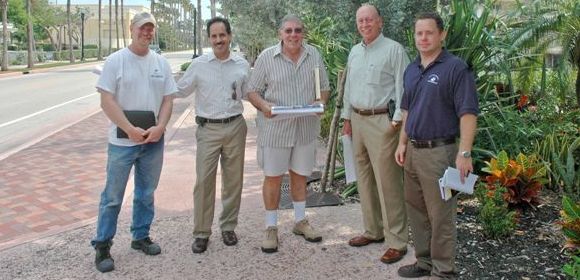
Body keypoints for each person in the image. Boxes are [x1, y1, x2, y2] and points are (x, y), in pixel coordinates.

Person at [394, 12, 479, 279]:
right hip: (413, 152)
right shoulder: (411, 69)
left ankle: (444, 271)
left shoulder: (455, 68)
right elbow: (407, 109)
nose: (423, 38)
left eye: (429, 32)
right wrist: (402, 143)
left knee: (441, 215)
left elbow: (468, 113)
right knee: (416, 211)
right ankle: (424, 262)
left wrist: (464, 153)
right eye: (419, 33)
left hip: (440, 153)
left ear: (441, 34)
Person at [91, 12, 177, 273]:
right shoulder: (116, 61)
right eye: (142, 28)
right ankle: (103, 244)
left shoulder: (160, 63)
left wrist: (161, 127)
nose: (147, 33)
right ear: (132, 29)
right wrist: (128, 129)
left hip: (153, 141)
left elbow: (168, 100)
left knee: (146, 194)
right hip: (122, 143)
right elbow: (106, 100)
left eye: (151, 29)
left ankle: (140, 236)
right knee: (112, 197)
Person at [246, 14, 330, 253]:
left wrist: (320, 103)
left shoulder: (314, 55)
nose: (294, 35)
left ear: (303, 33)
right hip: (275, 130)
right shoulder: (266, 57)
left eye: (298, 30)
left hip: (304, 129)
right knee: (273, 177)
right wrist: (264, 107)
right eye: (289, 31)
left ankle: (300, 221)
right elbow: (252, 91)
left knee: (300, 175)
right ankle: (271, 227)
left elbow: (323, 88)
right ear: (280, 34)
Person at [341, 4, 409, 264]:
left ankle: (397, 242)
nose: (365, 24)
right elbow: (349, 86)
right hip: (357, 120)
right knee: (364, 179)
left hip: (383, 122)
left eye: (369, 19)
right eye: (361, 20)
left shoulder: (394, 49)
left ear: (380, 22)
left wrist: (396, 122)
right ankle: (373, 230)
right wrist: (347, 117)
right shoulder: (355, 51)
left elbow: (404, 88)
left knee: (388, 183)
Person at [176, 17, 250, 254]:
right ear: (209, 38)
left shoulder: (241, 64)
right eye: (214, 36)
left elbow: (251, 93)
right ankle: (201, 233)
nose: (219, 40)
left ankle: (228, 227)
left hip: (235, 126)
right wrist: (154, 79)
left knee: (233, 181)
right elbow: (179, 90)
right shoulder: (199, 65)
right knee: (204, 183)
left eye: (222, 35)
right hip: (208, 129)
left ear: (230, 36)